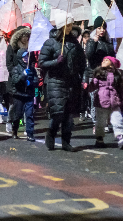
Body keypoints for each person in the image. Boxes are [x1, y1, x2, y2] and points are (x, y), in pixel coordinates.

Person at [38, 13, 87, 152]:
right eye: (67, 25)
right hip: (55, 81)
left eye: (71, 25)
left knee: (69, 115)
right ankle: (51, 134)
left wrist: (82, 76)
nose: (69, 28)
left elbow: (81, 61)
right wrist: (55, 61)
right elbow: (42, 62)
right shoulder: (50, 43)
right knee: (58, 112)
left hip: (71, 82)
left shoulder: (74, 42)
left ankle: (66, 141)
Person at [88, 56, 123, 149]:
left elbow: (122, 90)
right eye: (103, 60)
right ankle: (99, 138)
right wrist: (88, 86)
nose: (104, 61)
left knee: (117, 120)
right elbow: (93, 86)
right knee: (100, 122)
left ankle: (120, 138)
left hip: (114, 102)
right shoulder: (99, 73)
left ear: (112, 63)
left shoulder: (118, 74)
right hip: (101, 101)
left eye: (107, 60)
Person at [8, 48, 38, 141]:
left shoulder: (32, 69)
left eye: (27, 56)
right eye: (24, 56)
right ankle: (14, 130)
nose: (26, 58)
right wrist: (23, 76)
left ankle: (30, 134)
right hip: (19, 95)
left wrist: (31, 83)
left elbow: (36, 80)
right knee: (18, 115)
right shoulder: (16, 68)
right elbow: (15, 81)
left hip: (29, 95)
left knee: (29, 115)